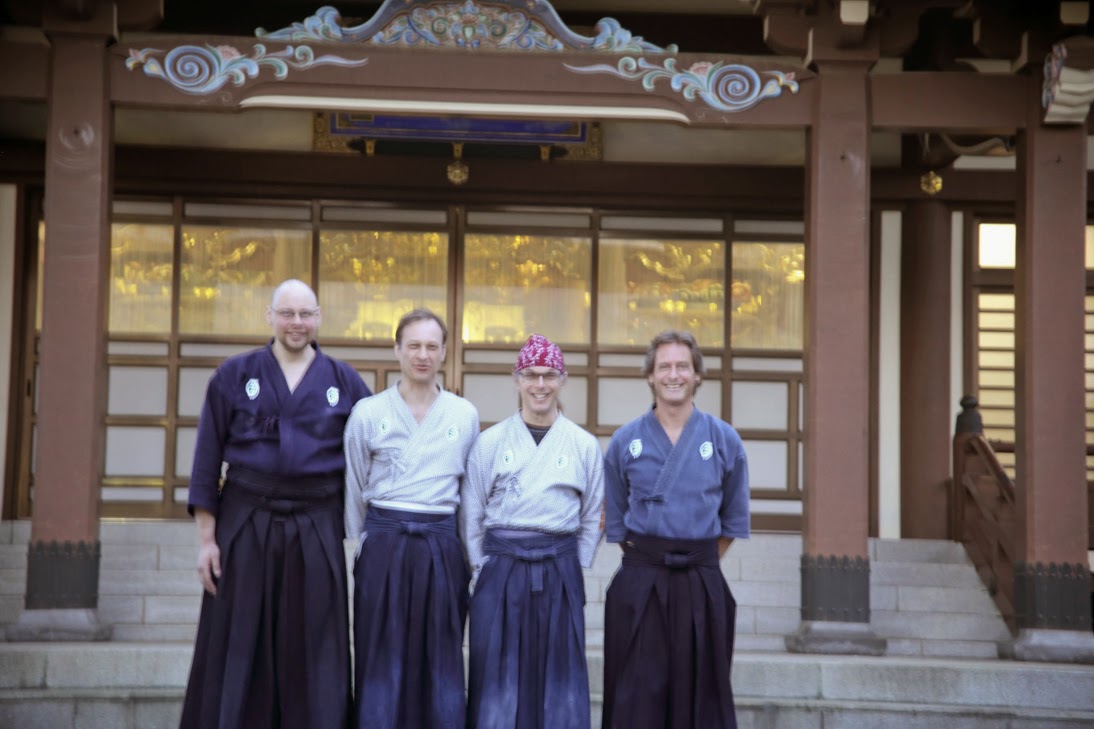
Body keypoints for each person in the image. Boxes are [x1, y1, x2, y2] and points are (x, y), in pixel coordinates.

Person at [179, 278, 371, 729]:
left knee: (316, 640)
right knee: (239, 635)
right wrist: (207, 540)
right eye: (287, 313)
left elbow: (373, 455)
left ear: (318, 318)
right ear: (270, 317)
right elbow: (207, 459)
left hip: (316, 520)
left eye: (305, 314)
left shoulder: (345, 382)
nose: (296, 323)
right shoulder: (234, 375)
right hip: (246, 517)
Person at [601, 330, 750, 729]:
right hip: (642, 577)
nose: (673, 375)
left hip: (701, 578)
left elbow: (732, 520)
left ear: (697, 375)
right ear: (650, 375)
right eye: (664, 366)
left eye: (683, 366)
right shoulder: (625, 441)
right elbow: (617, 520)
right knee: (637, 695)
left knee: (702, 693)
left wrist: (698, 560)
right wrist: (651, 558)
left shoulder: (724, 439)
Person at [344, 308, 480, 729]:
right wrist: (360, 546)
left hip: (441, 541)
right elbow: (354, 487)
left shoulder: (464, 414)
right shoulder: (368, 412)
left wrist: (470, 557)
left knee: (441, 653)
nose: (423, 355)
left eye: (431, 346)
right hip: (385, 539)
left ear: (444, 352)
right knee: (379, 653)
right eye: (414, 345)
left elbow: (469, 494)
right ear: (397, 349)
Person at [460, 334, 605, 729]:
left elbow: (593, 513)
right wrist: (482, 566)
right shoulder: (490, 442)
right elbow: (471, 512)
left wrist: (575, 565)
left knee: (559, 673)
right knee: (497, 673)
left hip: (559, 566)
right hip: (501, 567)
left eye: (549, 375)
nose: (540, 384)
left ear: (563, 380)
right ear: (517, 379)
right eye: (531, 375)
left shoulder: (583, 445)